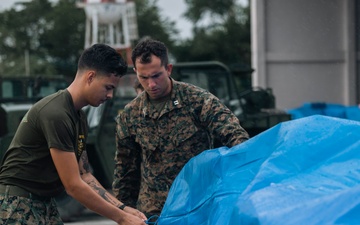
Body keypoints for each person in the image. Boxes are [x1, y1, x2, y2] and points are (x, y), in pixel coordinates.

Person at [0, 44, 147, 225]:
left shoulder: (79, 117)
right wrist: (122, 218)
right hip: (18, 203)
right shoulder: (57, 113)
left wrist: (122, 208)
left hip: (43, 202)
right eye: (108, 87)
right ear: (91, 77)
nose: (110, 95)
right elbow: (73, 186)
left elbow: (85, 175)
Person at [112, 38, 250, 216]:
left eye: (156, 75)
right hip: (156, 213)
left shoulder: (197, 101)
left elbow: (235, 136)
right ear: (135, 72)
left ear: (168, 69)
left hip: (197, 206)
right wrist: (123, 214)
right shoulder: (130, 115)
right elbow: (124, 171)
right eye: (143, 77)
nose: (151, 84)